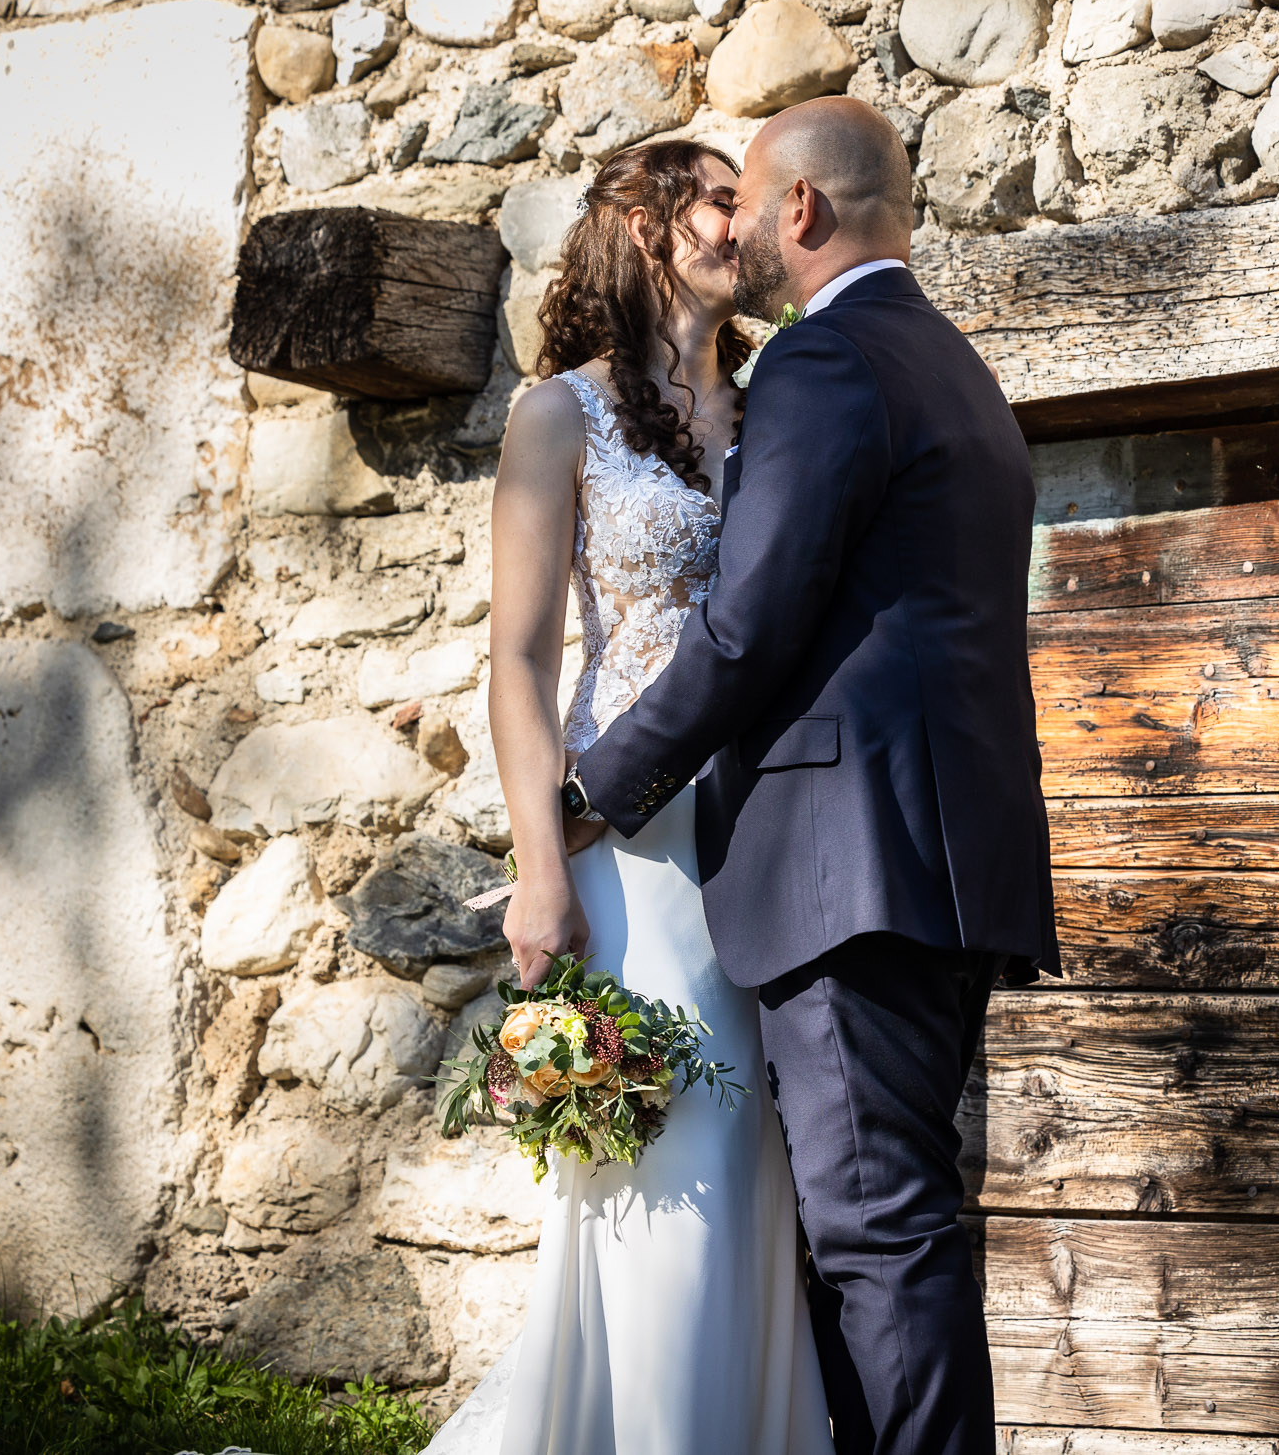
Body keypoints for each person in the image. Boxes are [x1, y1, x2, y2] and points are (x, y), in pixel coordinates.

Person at [552, 97, 1058, 1455]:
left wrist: (595, 788)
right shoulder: (952, 365)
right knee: (898, 1228)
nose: (741, 233)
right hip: (947, 864)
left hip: (850, 872)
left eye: (752, 201)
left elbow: (755, 618)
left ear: (803, 213)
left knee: (877, 1238)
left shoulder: (826, 364)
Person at [422, 138, 834, 1455]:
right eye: (722, 197)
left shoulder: (778, 412)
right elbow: (520, 660)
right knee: (675, 1172)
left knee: (763, 1176)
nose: (747, 220)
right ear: (651, 228)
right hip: (636, 852)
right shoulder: (565, 417)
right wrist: (542, 867)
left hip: (775, 834)